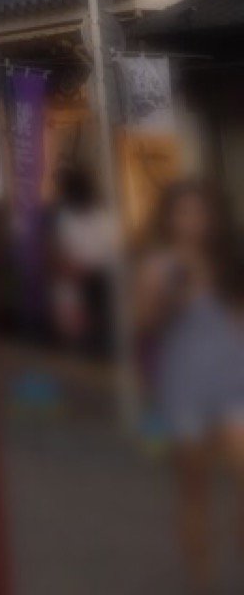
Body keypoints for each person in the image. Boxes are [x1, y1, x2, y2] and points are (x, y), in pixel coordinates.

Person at [135, 181, 244, 591]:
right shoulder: (159, 266)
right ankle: (202, 579)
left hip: (233, 379)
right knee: (195, 490)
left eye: (200, 212)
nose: (193, 221)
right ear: (169, 219)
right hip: (185, 386)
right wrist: (169, 295)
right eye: (184, 213)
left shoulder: (227, 262)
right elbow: (144, 322)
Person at [48, 165, 118, 359]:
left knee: (88, 344)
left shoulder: (67, 218)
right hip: (84, 286)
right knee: (89, 343)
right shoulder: (101, 217)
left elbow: (58, 257)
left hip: (92, 286)